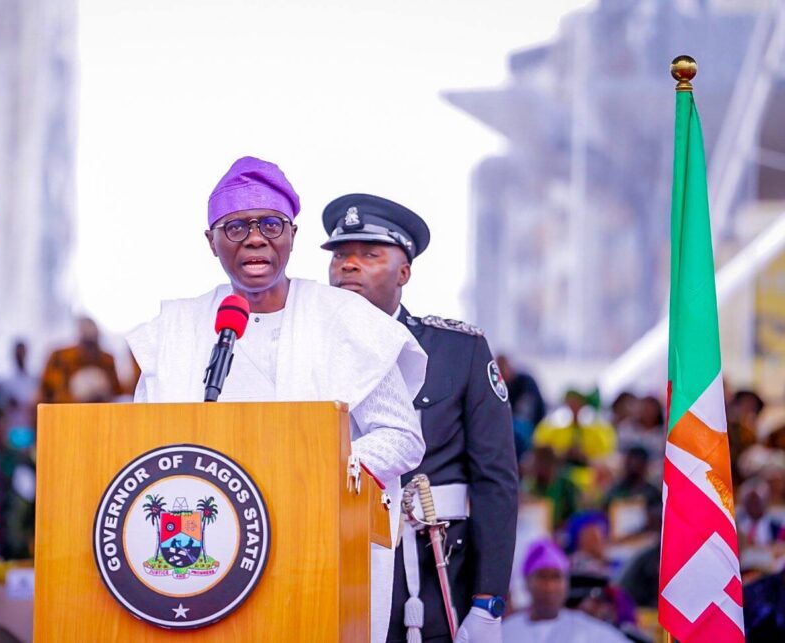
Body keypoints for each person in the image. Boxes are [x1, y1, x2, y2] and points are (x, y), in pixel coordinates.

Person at [127, 158, 427, 643]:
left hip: (316, 551)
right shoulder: (176, 331)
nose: (255, 238)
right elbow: (143, 446)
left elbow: (402, 438)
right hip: (206, 567)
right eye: (236, 226)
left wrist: (317, 470)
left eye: (271, 224)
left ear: (291, 235)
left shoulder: (346, 319)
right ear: (211, 241)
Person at [321, 193, 518, 643]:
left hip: (433, 568)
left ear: (404, 272)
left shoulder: (458, 350)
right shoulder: (307, 353)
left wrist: (489, 601)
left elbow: (496, 480)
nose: (348, 266)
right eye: (340, 256)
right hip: (336, 562)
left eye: (369, 254)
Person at [502, 539, 629, 642]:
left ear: (566, 583)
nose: (549, 586)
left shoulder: (590, 630)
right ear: (527, 581)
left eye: (556, 577)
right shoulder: (506, 632)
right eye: (542, 576)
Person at [39, 317, 124, 403]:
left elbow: (116, 392)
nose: (90, 350)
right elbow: (46, 391)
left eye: (93, 343)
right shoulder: (59, 357)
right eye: (87, 342)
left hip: (100, 410)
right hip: (65, 409)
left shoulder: (107, 360)